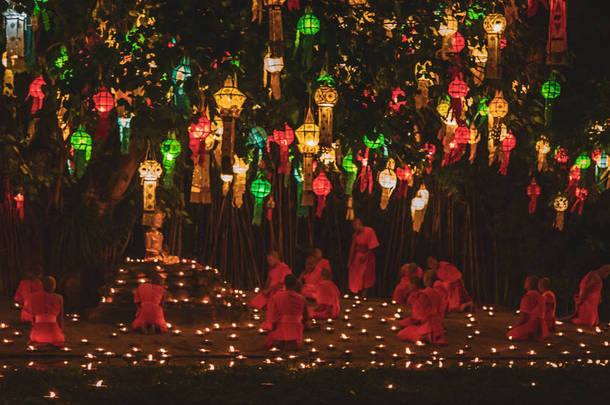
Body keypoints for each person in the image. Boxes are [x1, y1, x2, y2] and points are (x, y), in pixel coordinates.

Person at [397, 277, 446, 344]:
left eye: (410, 285)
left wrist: (403, 323)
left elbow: (418, 317)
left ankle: (424, 336)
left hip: (427, 325)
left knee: (402, 334)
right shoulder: (435, 293)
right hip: (438, 326)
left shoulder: (420, 295)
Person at [264, 274, 308, 349]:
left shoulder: (276, 297)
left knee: (272, 342)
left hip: (282, 326)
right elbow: (305, 317)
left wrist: (273, 328)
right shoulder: (302, 298)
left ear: (285, 284)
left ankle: (282, 340)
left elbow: (273, 316)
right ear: (295, 285)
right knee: (291, 345)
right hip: (296, 327)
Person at [506, 275, 549, 342]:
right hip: (542, 328)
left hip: (532, 326)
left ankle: (529, 336)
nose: (524, 283)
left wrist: (514, 327)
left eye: (526, 281)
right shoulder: (540, 296)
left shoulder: (528, 296)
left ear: (530, 284)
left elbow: (524, 318)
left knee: (510, 334)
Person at [26, 276, 65, 348]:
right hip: (53, 334)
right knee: (58, 338)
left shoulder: (33, 297)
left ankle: (41, 342)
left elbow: (32, 317)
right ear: (54, 286)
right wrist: (60, 331)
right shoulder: (59, 298)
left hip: (38, 333)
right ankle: (49, 341)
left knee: (36, 336)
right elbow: (60, 317)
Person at [348, 218, 379, 296]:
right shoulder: (355, 235)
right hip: (358, 256)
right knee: (356, 276)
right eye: (354, 225)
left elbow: (373, 245)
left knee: (367, 276)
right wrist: (350, 260)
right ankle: (356, 293)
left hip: (368, 256)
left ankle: (364, 294)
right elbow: (352, 248)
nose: (355, 227)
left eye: (356, 224)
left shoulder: (369, 231)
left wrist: (366, 254)